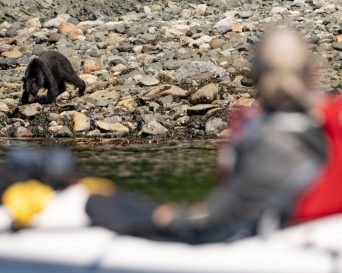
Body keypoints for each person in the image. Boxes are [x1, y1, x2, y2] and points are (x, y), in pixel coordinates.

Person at [85, 26, 330, 243]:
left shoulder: (274, 141)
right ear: (312, 72)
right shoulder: (322, 125)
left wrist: (165, 217)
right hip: (302, 233)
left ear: (253, 76)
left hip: (252, 244)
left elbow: (220, 221)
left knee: (98, 204)